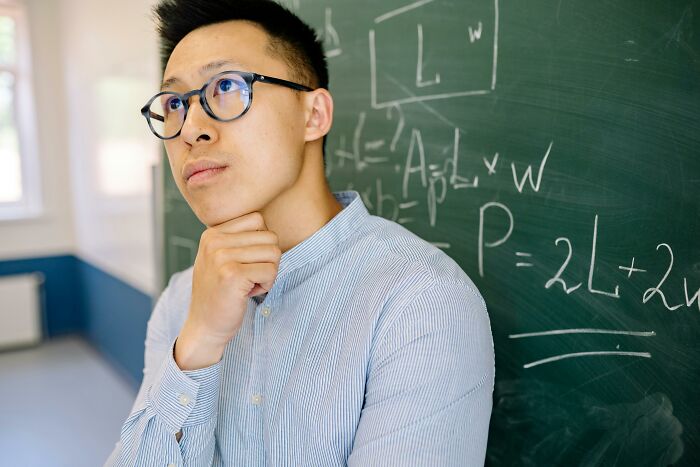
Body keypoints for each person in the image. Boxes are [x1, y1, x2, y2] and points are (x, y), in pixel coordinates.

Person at [105, 0, 495, 465]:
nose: (190, 129)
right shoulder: (180, 302)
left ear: (314, 115)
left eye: (227, 86)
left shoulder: (419, 300)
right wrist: (198, 345)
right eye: (173, 104)